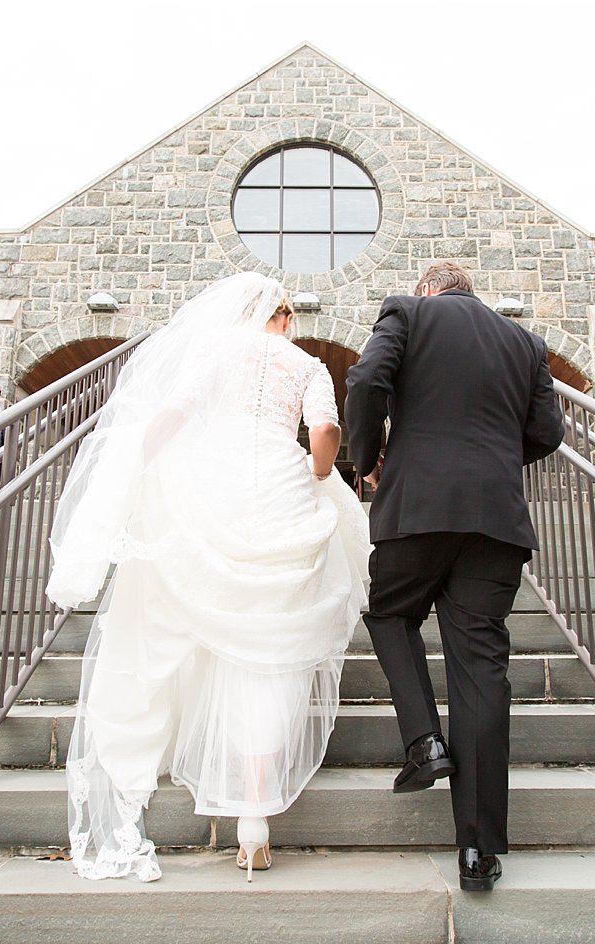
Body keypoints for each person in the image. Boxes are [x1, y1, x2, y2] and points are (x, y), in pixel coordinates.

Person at [45, 272, 370, 883]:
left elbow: (174, 413)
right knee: (270, 643)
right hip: (280, 487)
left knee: (192, 612)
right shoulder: (307, 366)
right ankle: (255, 821)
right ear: (286, 318)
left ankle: (166, 763)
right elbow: (325, 432)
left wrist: (135, 467)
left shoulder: (213, 348)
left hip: (211, 488)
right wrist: (322, 473)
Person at [344, 261, 563, 892]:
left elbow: (365, 382)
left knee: (389, 613)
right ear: (470, 289)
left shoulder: (406, 313)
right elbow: (546, 432)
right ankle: (478, 852)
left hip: (416, 506)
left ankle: (424, 743)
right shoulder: (524, 341)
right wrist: (492, 454)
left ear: (426, 289)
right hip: (495, 519)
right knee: (480, 671)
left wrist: (371, 459)